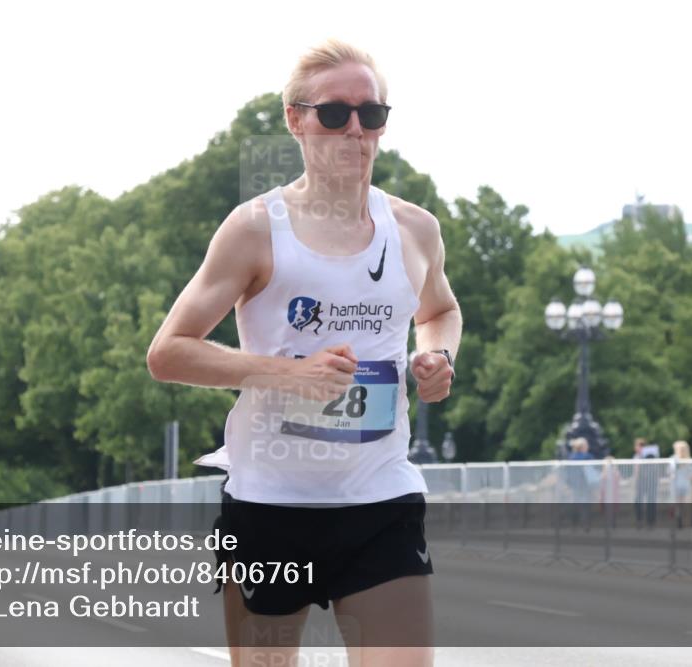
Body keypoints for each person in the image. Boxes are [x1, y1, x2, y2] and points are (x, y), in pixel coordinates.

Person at [148, 38, 461, 667]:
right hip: (272, 504)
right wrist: (287, 374)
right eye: (335, 113)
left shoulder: (415, 229)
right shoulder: (256, 228)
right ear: (296, 120)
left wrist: (437, 358)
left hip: (380, 499)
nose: (355, 130)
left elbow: (439, 311)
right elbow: (168, 353)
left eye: (371, 114)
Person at [671, 440, 692, 528]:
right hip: (677, 486)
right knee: (679, 506)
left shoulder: (688, 460)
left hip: (685, 486)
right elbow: (670, 472)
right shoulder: (674, 459)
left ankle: (686, 523)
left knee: (686, 506)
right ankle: (679, 522)